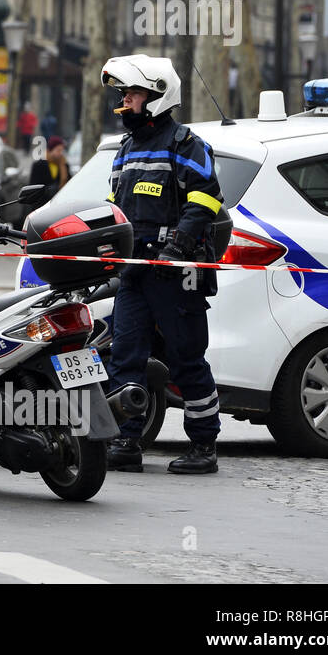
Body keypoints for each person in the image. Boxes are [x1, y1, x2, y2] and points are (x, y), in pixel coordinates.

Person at [101, 54, 223, 476]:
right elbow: (116, 209)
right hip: (134, 272)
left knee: (186, 357)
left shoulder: (185, 144)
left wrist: (179, 244)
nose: (125, 102)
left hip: (175, 273)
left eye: (132, 94)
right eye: (124, 94)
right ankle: (126, 438)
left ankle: (203, 444)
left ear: (156, 96)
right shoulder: (126, 149)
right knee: (125, 354)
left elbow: (207, 198)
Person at [28, 134, 69, 198]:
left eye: (62, 150)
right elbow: (33, 188)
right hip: (42, 202)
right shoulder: (38, 165)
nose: (61, 153)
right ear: (50, 150)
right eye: (58, 150)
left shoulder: (64, 165)